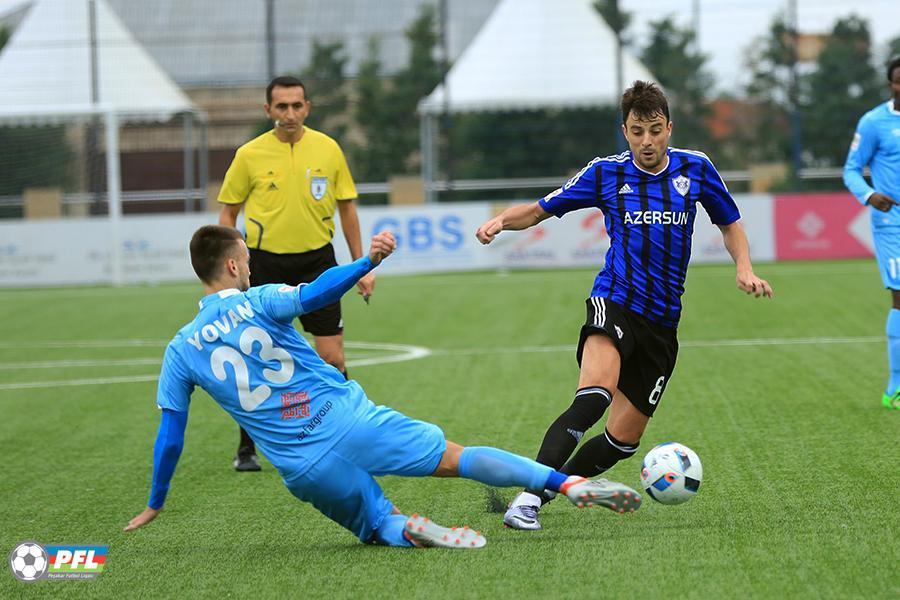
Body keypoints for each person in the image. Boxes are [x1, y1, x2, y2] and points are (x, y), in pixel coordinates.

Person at [123, 225, 642, 548]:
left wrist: (156, 502)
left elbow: (170, 436)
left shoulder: (180, 349)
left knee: (376, 524)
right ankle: (565, 484)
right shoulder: (257, 300)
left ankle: (408, 527)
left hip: (303, 466)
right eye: (247, 261)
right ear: (234, 264)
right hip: (348, 420)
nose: (250, 268)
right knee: (457, 458)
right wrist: (366, 262)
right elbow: (315, 294)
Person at [475, 81, 774, 531]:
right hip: (613, 301)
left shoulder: (696, 168)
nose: (646, 141)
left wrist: (744, 268)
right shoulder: (605, 173)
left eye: (654, 130)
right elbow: (539, 210)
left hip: (662, 325)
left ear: (669, 128)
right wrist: (501, 220)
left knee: (622, 441)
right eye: (637, 132)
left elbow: (730, 223)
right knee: (594, 396)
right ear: (625, 131)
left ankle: (547, 488)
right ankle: (527, 500)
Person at [218, 75, 374, 471]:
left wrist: (361, 266)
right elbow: (228, 214)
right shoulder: (249, 154)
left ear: (307, 108)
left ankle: (350, 434)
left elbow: (347, 208)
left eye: (296, 105)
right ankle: (246, 449)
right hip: (264, 265)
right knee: (259, 358)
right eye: (281, 106)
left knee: (332, 356)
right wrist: (229, 270)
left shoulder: (328, 148)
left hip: (319, 263)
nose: (289, 113)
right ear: (267, 110)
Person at [843, 56, 900, 410]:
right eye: (898, 80)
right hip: (892, 221)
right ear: (890, 84)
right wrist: (869, 195)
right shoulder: (874, 122)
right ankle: (895, 386)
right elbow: (851, 169)